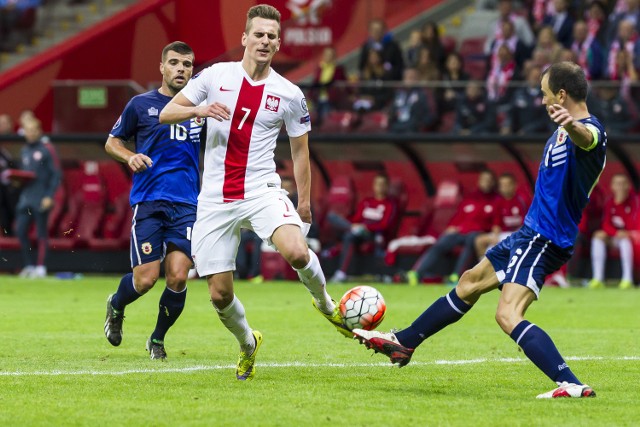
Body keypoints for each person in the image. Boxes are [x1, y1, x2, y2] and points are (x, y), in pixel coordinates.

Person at [354, 62, 605, 399]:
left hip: (544, 238)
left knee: (507, 314)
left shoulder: (590, 131)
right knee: (470, 281)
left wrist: (573, 124)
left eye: (545, 94)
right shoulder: (561, 129)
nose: (542, 101)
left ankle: (571, 383)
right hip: (528, 232)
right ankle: (406, 342)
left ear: (561, 95)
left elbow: (588, 139)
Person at [159, 4, 350, 381]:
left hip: (261, 189)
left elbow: (300, 150)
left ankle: (328, 306)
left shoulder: (290, 94)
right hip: (214, 199)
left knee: (296, 250)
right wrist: (199, 110)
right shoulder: (215, 76)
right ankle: (248, 343)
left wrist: (305, 203)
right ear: (244, 38)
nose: (264, 41)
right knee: (219, 295)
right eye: (258, 34)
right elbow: (166, 112)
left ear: (278, 44)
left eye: (271, 36)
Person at [103, 41, 201, 361]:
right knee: (146, 279)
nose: (180, 69)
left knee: (177, 276)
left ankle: (157, 339)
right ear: (162, 67)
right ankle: (117, 306)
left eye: (186, 64)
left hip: (186, 204)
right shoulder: (140, 105)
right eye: (174, 63)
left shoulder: (201, 109)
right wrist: (129, 156)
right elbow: (112, 142)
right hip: (149, 201)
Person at [406, 170, 498, 286]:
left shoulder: (496, 200)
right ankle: (416, 273)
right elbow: (457, 217)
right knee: (443, 240)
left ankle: (457, 276)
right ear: (479, 181)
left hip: (478, 234)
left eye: (489, 180)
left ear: (493, 182)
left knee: (472, 240)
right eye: (484, 179)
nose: (486, 182)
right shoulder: (470, 198)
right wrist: (451, 227)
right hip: (461, 232)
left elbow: (497, 223)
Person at [327, 173, 399, 283]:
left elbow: (386, 225)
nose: (380, 187)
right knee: (332, 217)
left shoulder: (390, 204)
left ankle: (341, 273)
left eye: (382, 184)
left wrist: (366, 227)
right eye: (377, 184)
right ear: (373, 186)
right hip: (357, 231)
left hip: (374, 234)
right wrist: (354, 225)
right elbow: (356, 218)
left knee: (350, 234)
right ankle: (351, 229)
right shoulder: (367, 202)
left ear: (387, 186)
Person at [15, 118, 61, 279]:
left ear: (39, 131)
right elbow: (26, 175)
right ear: (24, 132)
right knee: (20, 230)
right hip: (26, 198)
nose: (31, 133)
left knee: (41, 232)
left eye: (34, 130)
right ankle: (28, 265)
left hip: (41, 198)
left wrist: (49, 196)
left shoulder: (47, 149)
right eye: (28, 130)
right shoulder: (24, 151)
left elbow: (56, 175)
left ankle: (41, 267)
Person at [588, 174, 637, 290]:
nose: (620, 187)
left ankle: (627, 279)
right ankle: (598, 279)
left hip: (629, 239)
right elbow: (606, 224)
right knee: (597, 238)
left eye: (623, 184)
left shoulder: (635, 201)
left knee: (625, 241)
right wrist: (614, 233)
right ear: (612, 186)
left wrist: (625, 233)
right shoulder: (609, 202)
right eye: (617, 184)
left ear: (628, 186)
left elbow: (633, 224)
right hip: (614, 237)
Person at [474, 172, 529, 258]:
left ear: (515, 185)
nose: (505, 187)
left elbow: (526, 223)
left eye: (508, 184)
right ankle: (483, 265)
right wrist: (495, 236)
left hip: (518, 234)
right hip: (503, 234)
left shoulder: (522, 200)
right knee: (479, 241)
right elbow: (496, 223)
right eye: (502, 185)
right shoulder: (498, 202)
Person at [388, 67, 436, 133]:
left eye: (412, 77)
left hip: (415, 127)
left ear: (418, 78)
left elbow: (432, 114)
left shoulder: (424, 93)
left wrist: (421, 125)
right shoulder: (399, 92)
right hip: (397, 125)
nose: (409, 79)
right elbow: (392, 109)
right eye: (407, 77)